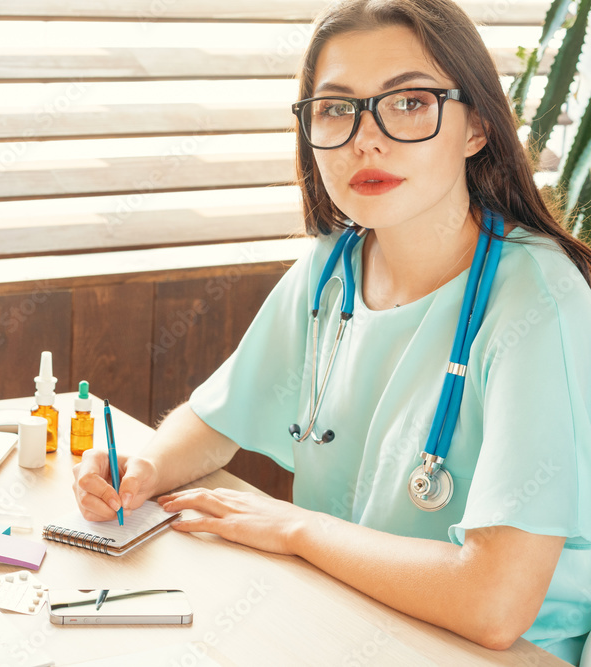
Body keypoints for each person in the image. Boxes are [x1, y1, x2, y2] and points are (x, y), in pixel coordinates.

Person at [72, 0, 591, 663]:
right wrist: (141, 468)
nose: (364, 139)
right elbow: (213, 420)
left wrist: (296, 528)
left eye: (408, 103)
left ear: (478, 126)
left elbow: (494, 603)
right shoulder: (331, 270)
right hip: (353, 617)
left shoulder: (539, 303)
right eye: (336, 108)